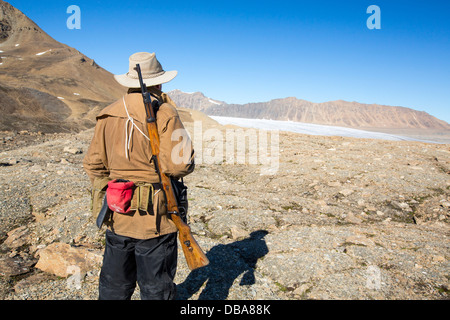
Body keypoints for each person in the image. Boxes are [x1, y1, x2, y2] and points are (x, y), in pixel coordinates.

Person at [83, 52, 195, 300]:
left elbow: (93, 164)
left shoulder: (107, 114)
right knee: (155, 288)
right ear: (159, 82)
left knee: (114, 285)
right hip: (155, 220)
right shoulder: (164, 112)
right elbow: (179, 166)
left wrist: (113, 191)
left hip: (117, 213)